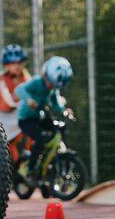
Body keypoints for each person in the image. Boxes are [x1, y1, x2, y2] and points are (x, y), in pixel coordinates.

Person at [15, 56, 74, 184]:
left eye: (53, 86)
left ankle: (53, 155)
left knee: (59, 127)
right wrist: (29, 99)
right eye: (49, 84)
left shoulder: (53, 89)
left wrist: (64, 111)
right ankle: (29, 169)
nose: (50, 87)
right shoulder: (37, 82)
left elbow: (56, 103)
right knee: (40, 139)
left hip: (40, 117)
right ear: (45, 76)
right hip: (26, 119)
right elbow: (19, 89)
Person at [0, 44, 31, 142]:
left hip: (16, 114)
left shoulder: (25, 78)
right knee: (5, 144)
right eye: (13, 63)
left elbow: (35, 90)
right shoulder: (2, 79)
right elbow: (6, 96)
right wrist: (15, 103)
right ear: (7, 65)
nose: (17, 66)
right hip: (0, 115)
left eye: (19, 63)